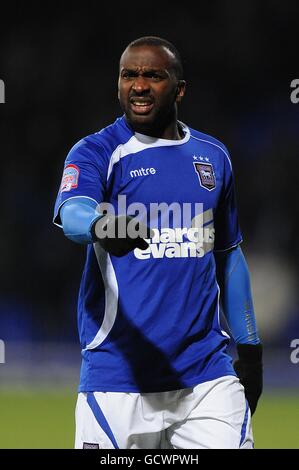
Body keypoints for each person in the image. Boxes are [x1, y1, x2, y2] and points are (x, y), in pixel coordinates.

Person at [53, 36, 263, 449]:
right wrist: (103, 225)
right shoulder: (98, 151)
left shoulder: (213, 157)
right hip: (118, 379)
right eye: (129, 75)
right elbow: (71, 213)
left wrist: (251, 353)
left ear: (179, 88)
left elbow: (229, 257)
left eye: (153, 75)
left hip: (206, 379)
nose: (139, 85)